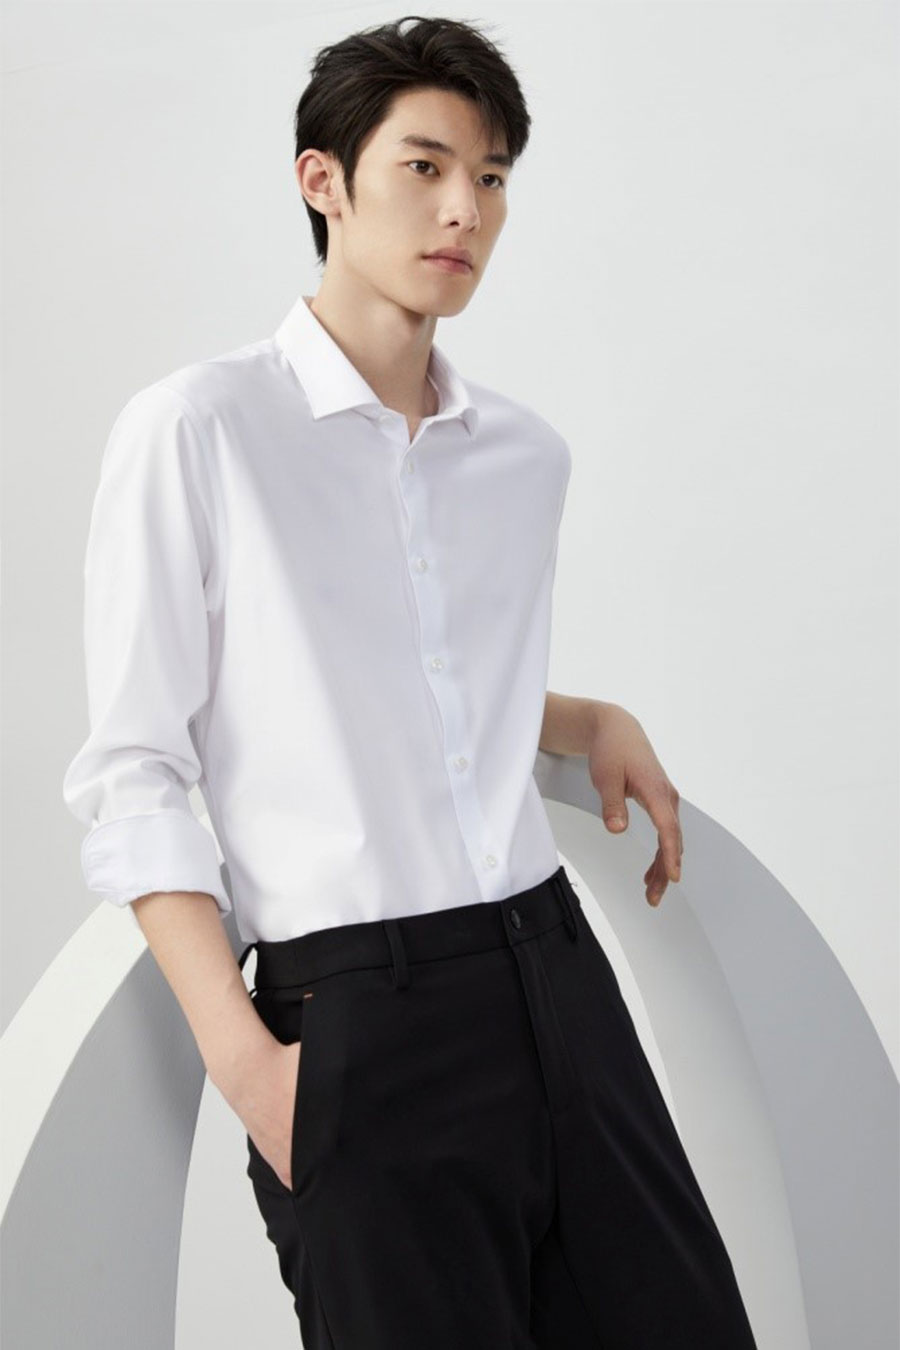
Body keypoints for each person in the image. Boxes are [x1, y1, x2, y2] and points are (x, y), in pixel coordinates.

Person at [62, 14, 757, 1348]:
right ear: (322, 179)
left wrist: (586, 714)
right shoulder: (199, 431)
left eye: (490, 177)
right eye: (425, 167)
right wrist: (254, 1072)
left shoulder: (522, 458)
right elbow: (137, 769)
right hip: (356, 1012)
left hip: (556, 975)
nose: (464, 211)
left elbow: (403, 679)